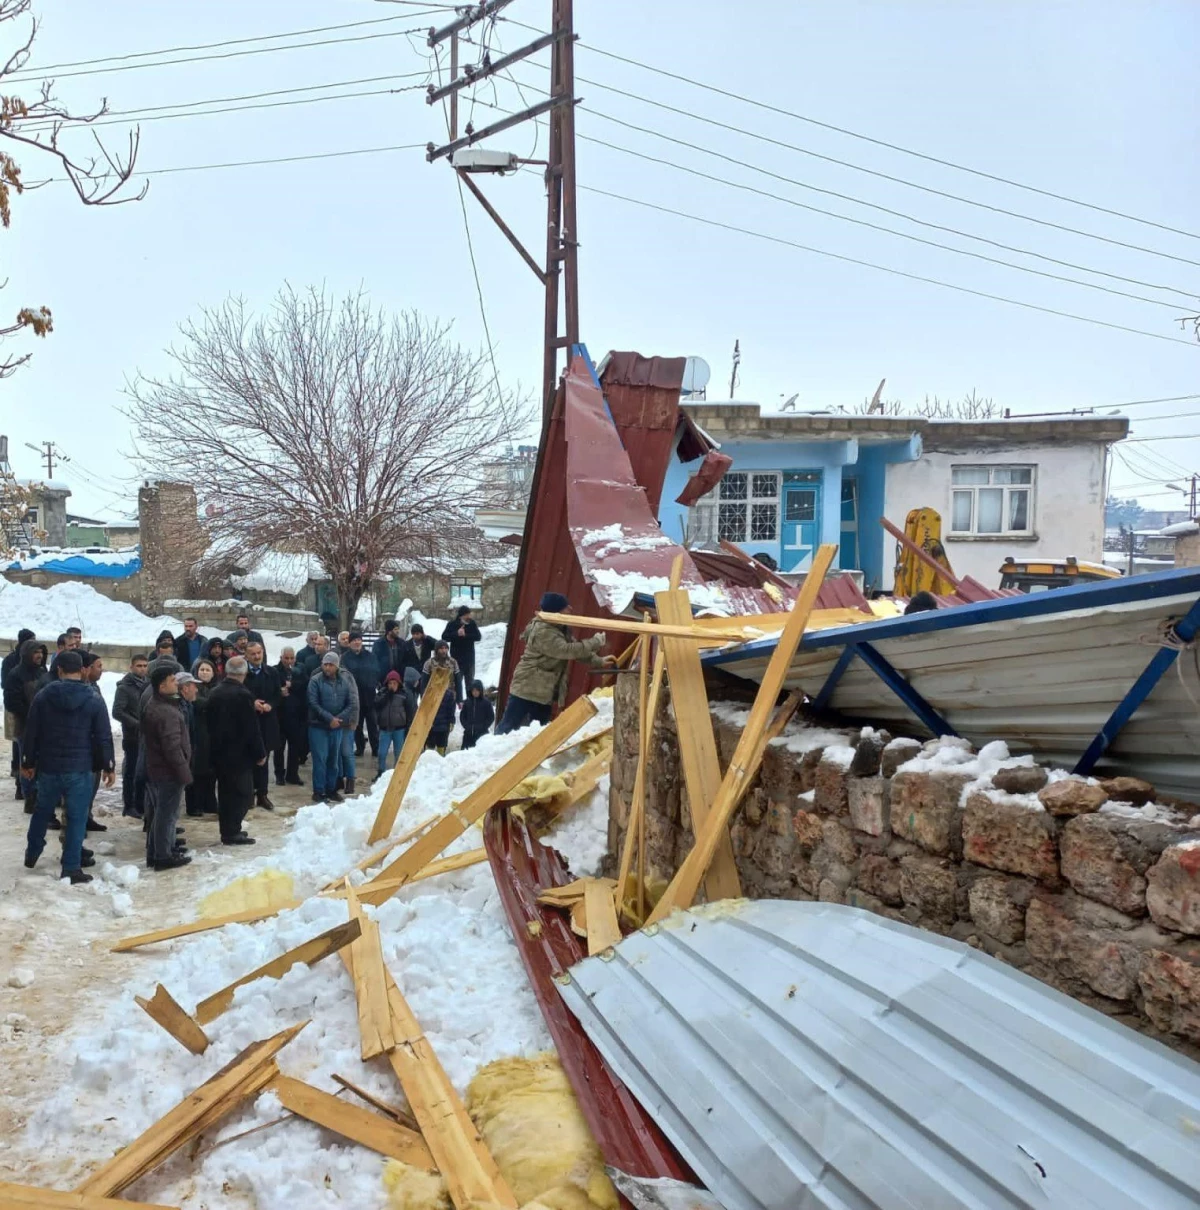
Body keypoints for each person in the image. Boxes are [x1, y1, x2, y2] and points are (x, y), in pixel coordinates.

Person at [21, 650, 114, 885]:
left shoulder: (43, 696)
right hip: (80, 768)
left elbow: (31, 732)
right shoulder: (93, 698)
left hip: (50, 766)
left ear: (59, 670)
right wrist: (108, 766)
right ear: (82, 670)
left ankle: (33, 850)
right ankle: (71, 867)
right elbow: (103, 736)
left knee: (42, 810)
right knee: (76, 817)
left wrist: (27, 762)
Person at [498, 593, 612, 734]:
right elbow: (565, 650)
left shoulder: (559, 627)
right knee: (508, 727)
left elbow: (574, 648)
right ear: (556, 611)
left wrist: (598, 661)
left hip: (543, 689)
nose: (570, 608)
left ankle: (535, 755)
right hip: (527, 687)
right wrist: (595, 642)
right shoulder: (543, 630)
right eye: (565, 606)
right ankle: (491, 754)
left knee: (539, 732)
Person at [206, 655, 264, 846]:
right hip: (239, 754)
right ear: (244, 673)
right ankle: (232, 831)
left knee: (225, 793)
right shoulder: (243, 695)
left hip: (218, 752)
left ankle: (230, 830)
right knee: (243, 794)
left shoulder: (215, 692)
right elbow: (251, 727)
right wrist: (259, 753)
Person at [140, 664, 193, 871]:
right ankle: (163, 856)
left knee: (161, 813)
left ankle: (158, 852)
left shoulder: (159, 704)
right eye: (173, 681)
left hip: (158, 769)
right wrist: (184, 773)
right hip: (167, 771)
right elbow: (172, 748)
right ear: (162, 686)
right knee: (166, 815)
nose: (177, 683)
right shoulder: (165, 712)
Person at [6, 639, 50, 817]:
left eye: (41, 652)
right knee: (27, 760)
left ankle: (41, 795)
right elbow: (11, 701)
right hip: (25, 726)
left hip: (44, 726)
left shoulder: (42, 672)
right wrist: (30, 714)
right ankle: (29, 797)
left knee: (42, 761)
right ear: (26, 654)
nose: (39, 655)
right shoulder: (16, 674)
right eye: (35, 652)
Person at [307, 651, 353, 803]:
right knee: (320, 759)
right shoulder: (315, 681)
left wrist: (339, 719)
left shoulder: (344, 682)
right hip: (318, 726)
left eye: (331, 665)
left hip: (337, 727)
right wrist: (329, 718)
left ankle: (331, 789)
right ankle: (319, 791)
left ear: (336, 666)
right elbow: (313, 703)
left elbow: (350, 703)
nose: (327, 667)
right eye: (325, 664)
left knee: (334, 760)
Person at [243, 641, 280, 810]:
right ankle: (248, 794)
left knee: (264, 760)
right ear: (246, 656)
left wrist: (270, 705)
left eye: (259, 653)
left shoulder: (271, 672)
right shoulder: (242, 673)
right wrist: (252, 703)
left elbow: (277, 695)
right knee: (249, 760)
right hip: (249, 722)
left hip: (267, 722)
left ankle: (262, 794)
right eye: (253, 654)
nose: (257, 657)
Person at [113, 653, 149, 819]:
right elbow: (117, 711)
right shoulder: (124, 687)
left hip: (146, 736)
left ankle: (141, 804)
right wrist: (136, 724)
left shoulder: (148, 685)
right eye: (139, 666)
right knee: (131, 771)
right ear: (131, 667)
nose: (142, 669)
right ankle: (129, 804)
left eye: (144, 665)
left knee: (143, 772)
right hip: (132, 736)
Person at [3, 627, 34, 798]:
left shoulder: (34, 662)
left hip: (29, 707)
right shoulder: (11, 662)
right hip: (16, 708)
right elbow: (5, 684)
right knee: (18, 743)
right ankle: (19, 783)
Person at [183, 663, 217, 817]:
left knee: (210, 771)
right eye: (201, 670)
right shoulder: (193, 689)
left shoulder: (216, 688)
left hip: (211, 733)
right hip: (196, 733)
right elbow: (199, 703)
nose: (204, 672)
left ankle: (209, 802)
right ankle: (194, 805)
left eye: (207, 670)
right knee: (195, 770)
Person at [340, 632, 380, 758]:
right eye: (354, 640)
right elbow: (343, 674)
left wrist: (374, 683)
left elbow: (376, 670)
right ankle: (360, 747)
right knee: (357, 724)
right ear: (350, 643)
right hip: (354, 696)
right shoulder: (345, 658)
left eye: (359, 640)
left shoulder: (370, 656)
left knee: (373, 724)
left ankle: (376, 748)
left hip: (370, 695)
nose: (357, 642)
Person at [273, 646, 306, 786]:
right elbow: (271, 689)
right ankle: (279, 774)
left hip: (295, 715)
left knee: (295, 747)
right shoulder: (274, 671)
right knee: (279, 747)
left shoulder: (300, 670)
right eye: (286, 658)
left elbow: (305, 685)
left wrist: (292, 685)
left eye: (291, 658)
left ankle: (292, 774)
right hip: (280, 715)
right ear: (281, 658)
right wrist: (280, 692)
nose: (289, 661)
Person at [374, 670, 415, 780]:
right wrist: (387, 695)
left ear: (399, 683)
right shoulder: (382, 693)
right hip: (385, 729)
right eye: (390, 683)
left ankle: (398, 774)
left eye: (394, 683)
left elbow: (410, 712)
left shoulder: (404, 695)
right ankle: (381, 772)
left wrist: (408, 727)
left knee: (399, 754)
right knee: (382, 753)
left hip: (399, 729)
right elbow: (376, 705)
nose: (392, 686)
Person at [442, 606, 482, 702]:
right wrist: (456, 634)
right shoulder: (452, 624)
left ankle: (470, 702)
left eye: (469, 614)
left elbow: (478, 637)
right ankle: (457, 702)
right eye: (466, 615)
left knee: (470, 683)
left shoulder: (471, 624)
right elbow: (444, 636)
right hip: (456, 660)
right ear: (461, 616)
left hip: (469, 660)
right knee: (456, 683)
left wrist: (466, 635)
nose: (469, 616)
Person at [459, 680, 495, 750]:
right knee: (464, 754)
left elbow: (491, 717)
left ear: (480, 691)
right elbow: (462, 716)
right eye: (473, 690)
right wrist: (466, 726)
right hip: (468, 734)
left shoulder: (486, 703)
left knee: (480, 755)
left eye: (477, 690)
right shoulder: (467, 702)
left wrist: (483, 727)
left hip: (481, 734)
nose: (475, 692)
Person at [426, 678, 457, 755]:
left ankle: (440, 761)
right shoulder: (430, 693)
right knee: (430, 749)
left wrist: (451, 722)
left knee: (441, 748)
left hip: (443, 727)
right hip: (431, 727)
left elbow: (451, 710)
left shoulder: (449, 695)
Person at [372, 619, 407, 685]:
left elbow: (405, 660)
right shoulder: (379, 644)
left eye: (398, 629)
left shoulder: (402, 643)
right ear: (389, 631)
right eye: (395, 629)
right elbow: (374, 662)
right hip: (384, 679)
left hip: (399, 679)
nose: (398, 631)